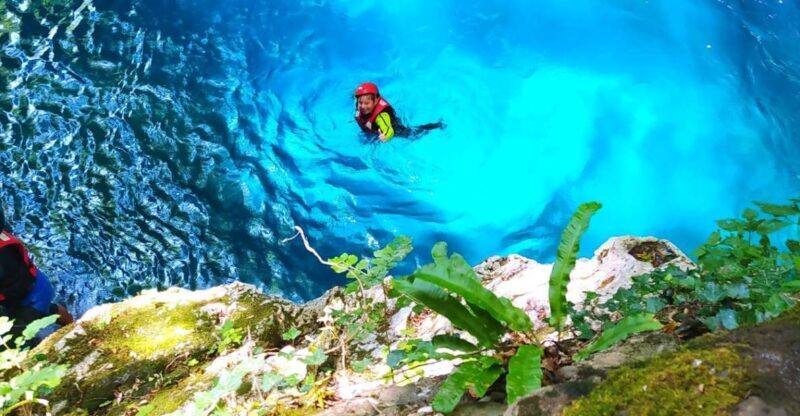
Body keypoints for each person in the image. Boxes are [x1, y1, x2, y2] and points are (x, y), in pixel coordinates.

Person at [0, 204, 73, 341]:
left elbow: (15, 293)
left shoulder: (3, 259)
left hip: (31, 299)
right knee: (48, 310)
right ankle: (70, 321)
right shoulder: (2, 233)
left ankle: (72, 327)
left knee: (12, 338)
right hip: (38, 283)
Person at [354, 82, 444, 142]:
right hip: (373, 127)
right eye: (360, 103)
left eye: (367, 103)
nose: (362, 106)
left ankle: (436, 125)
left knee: (412, 134)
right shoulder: (359, 104)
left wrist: (385, 137)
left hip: (394, 127)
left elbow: (389, 130)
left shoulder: (381, 116)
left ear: (376, 101)